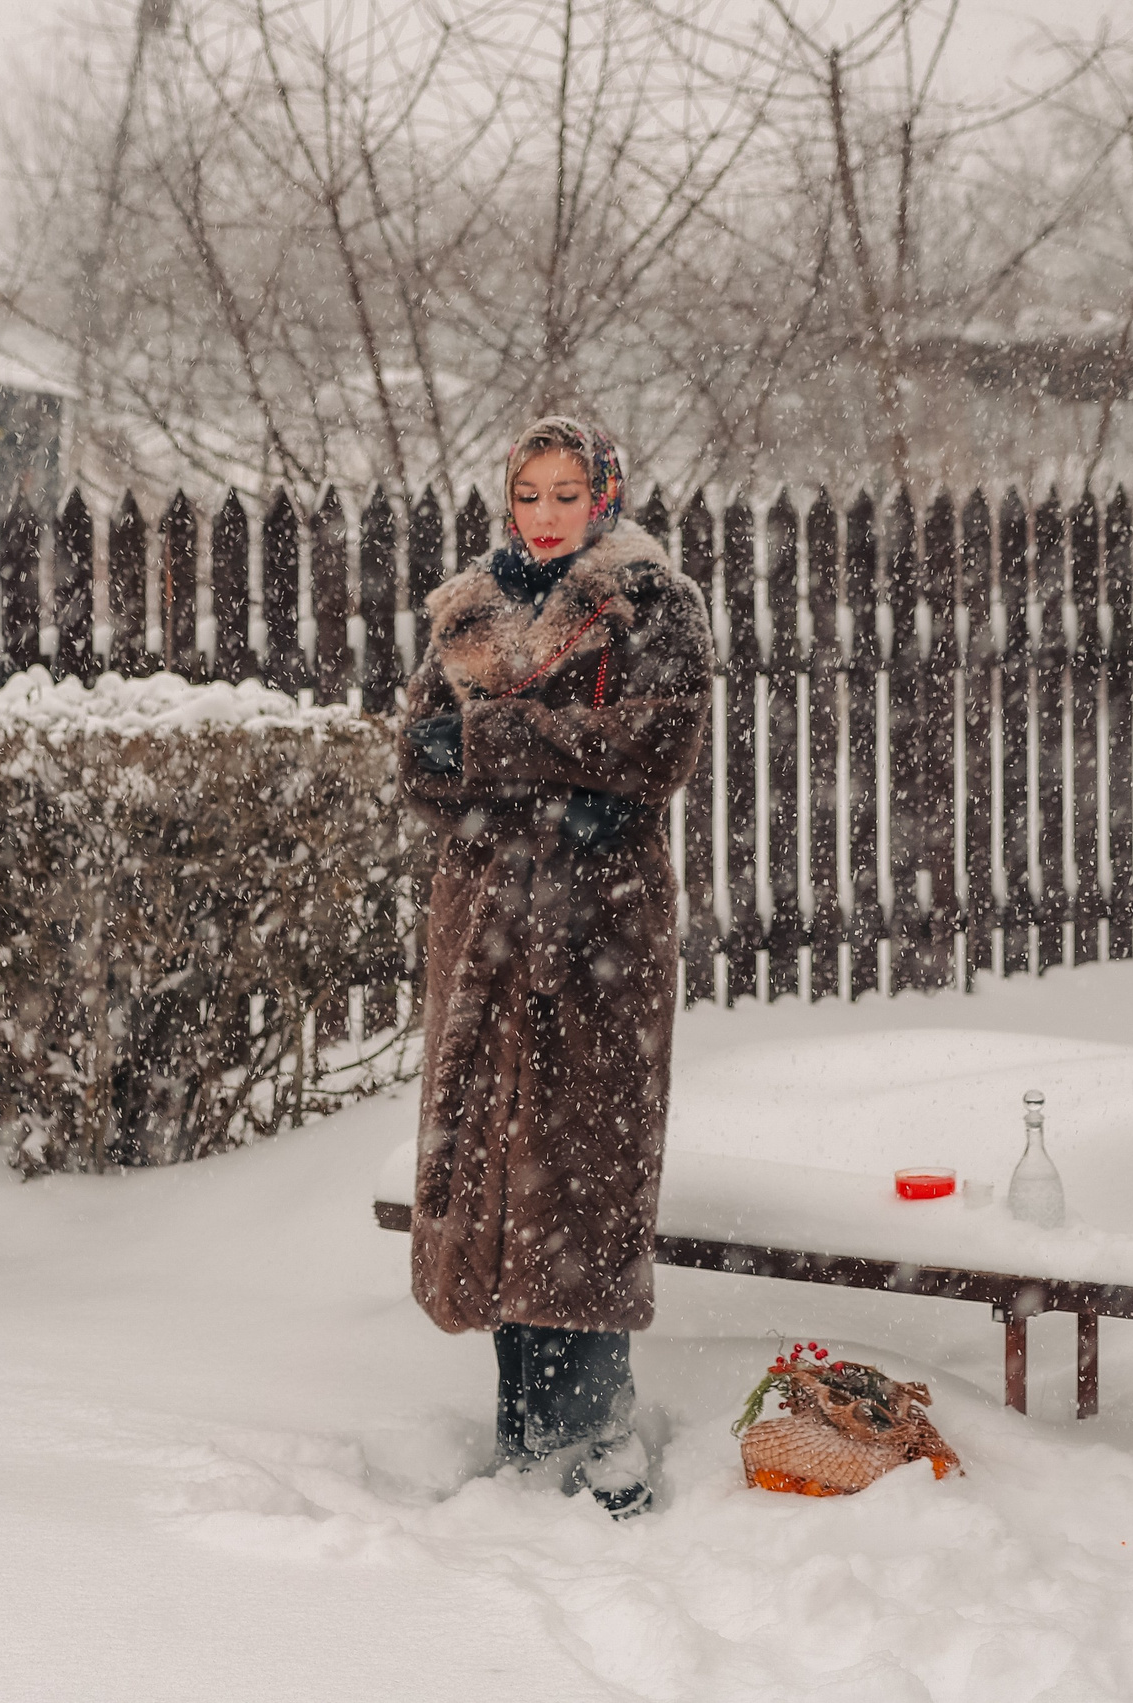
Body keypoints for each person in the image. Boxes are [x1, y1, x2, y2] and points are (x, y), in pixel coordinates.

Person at [395, 416, 714, 1519]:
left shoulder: (652, 603)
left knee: (580, 1176)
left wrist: (500, 748)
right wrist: (536, 758)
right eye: (527, 492)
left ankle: (600, 1442)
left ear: (604, 496)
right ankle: (524, 1432)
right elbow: (419, 763)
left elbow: (655, 748)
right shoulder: (464, 608)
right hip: (481, 923)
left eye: (565, 491)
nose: (543, 512)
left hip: (598, 932)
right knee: (496, 1173)